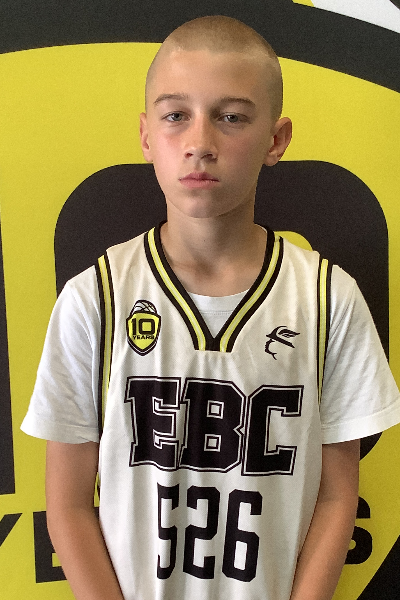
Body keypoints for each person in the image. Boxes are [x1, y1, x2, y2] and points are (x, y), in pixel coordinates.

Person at [21, 14, 400, 600]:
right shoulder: (95, 298)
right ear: (146, 135)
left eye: (231, 117)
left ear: (276, 139)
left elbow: (335, 495)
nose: (200, 142)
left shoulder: (327, 298)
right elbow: (68, 504)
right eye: (176, 115)